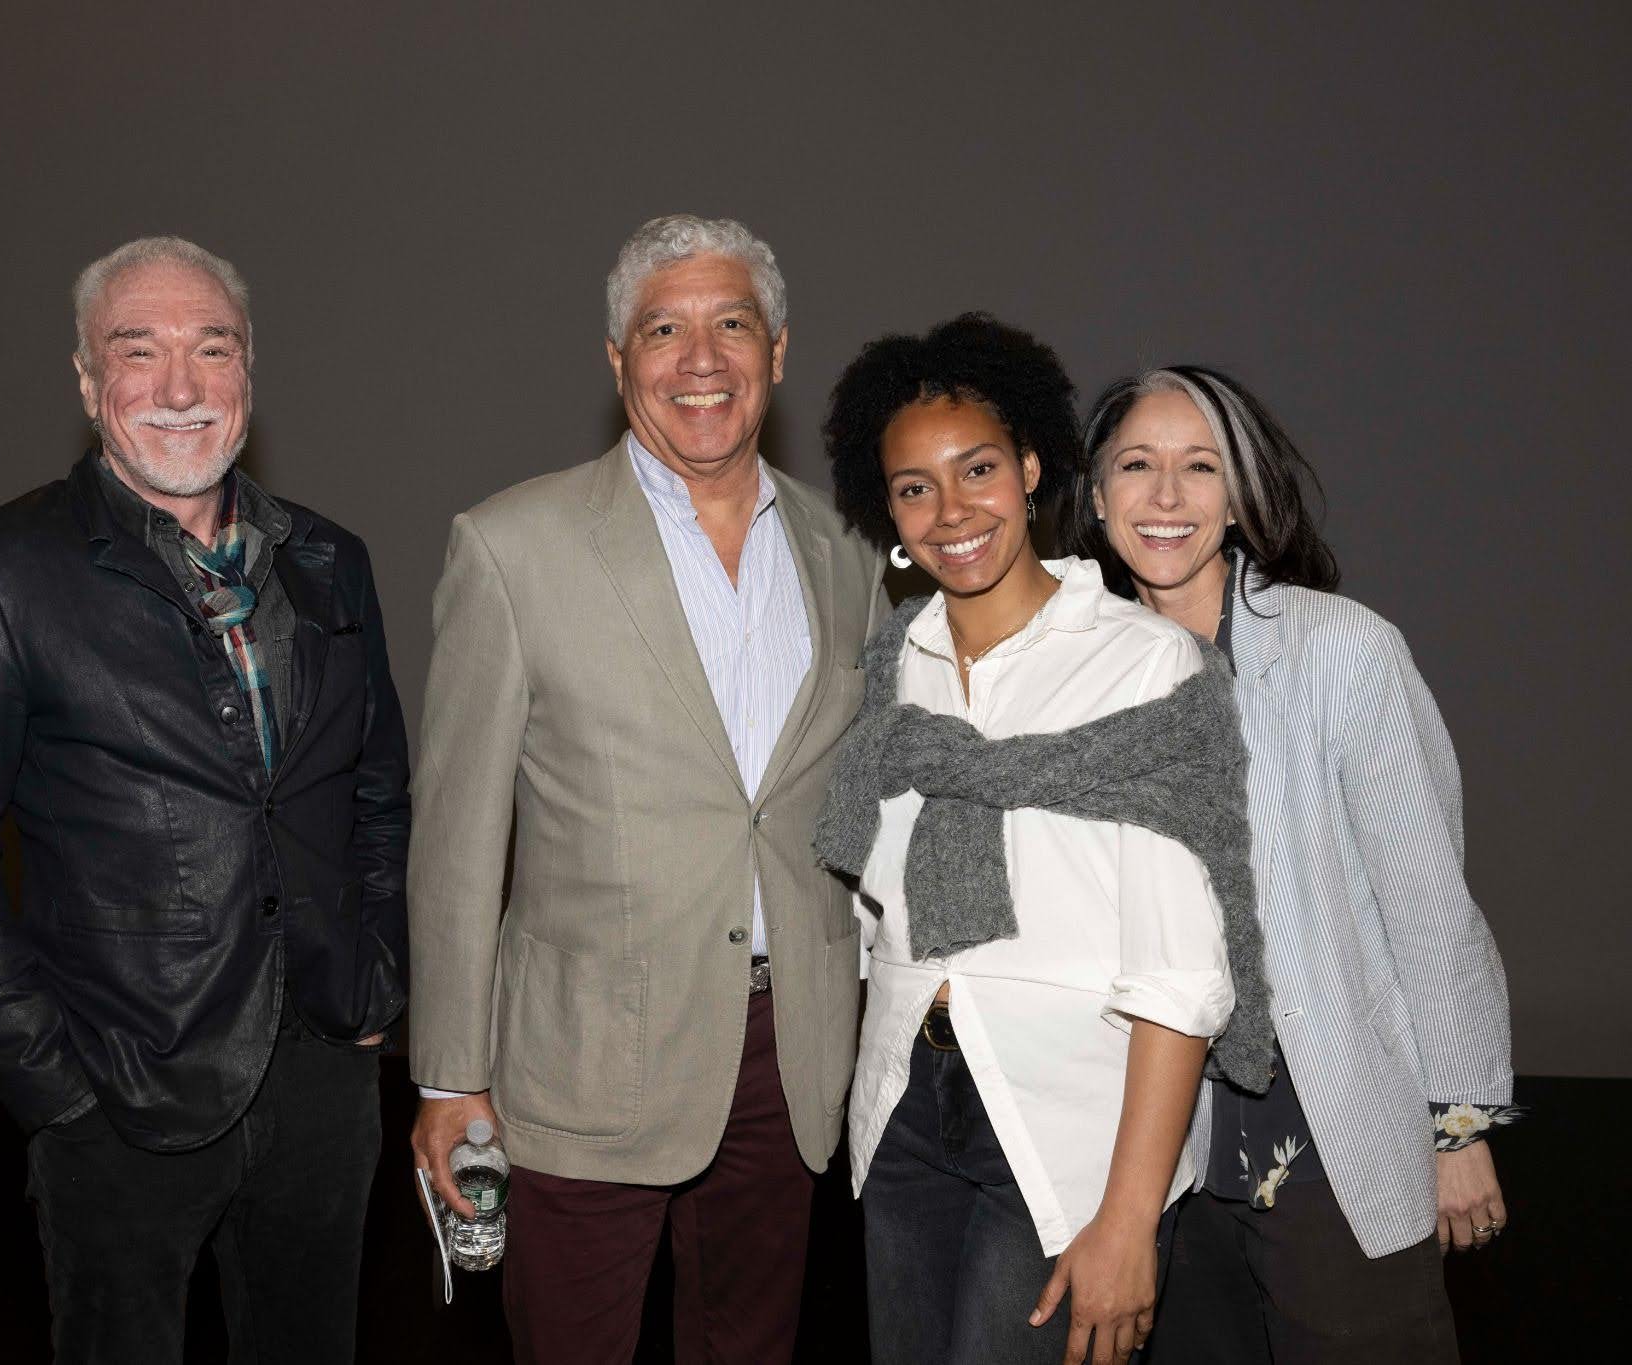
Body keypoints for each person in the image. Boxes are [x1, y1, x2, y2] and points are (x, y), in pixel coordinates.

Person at [0, 236, 409, 1363]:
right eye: (139, 351)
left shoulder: (328, 558)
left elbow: (376, 790)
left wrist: (376, 988)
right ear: (85, 381)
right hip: (118, 1091)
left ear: (248, 371)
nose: (178, 388)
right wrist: (50, 1084)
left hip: (325, 1076)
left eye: (208, 349)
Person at [405, 213, 884, 1365]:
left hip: (790, 1053)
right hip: (583, 1059)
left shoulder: (846, 552)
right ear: (617, 362)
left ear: (776, 349)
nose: (699, 358)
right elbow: (458, 839)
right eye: (662, 329)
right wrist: (448, 1075)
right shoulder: (511, 545)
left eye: (730, 324)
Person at [815, 314, 1271, 1365]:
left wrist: (1127, 1216)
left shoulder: (1145, 667)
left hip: (1067, 1126)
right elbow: (868, 911)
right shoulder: (892, 669)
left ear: (1027, 470)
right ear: (883, 509)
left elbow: (1179, 973)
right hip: (902, 1111)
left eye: (975, 468)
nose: (949, 510)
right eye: (911, 486)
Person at [1064, 365, 1519, 1363]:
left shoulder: (1339, 651)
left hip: (1329, 1138)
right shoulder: (1072, 675)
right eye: (1136, 466)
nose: (1168, 497)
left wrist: (1457, 1125)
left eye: (1200, 467)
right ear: (1094, 498)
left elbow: (1426, 906)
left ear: (1240, 496)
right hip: (1158, 1159)